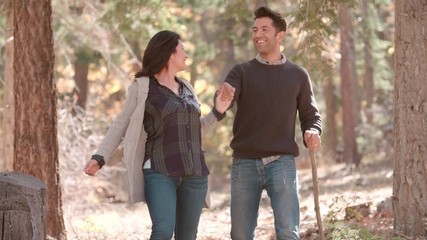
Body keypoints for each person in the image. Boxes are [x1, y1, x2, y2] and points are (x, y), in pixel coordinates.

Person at [83, 30, 235, 240]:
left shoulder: (187, 87)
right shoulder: (143, 87)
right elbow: (121, 123)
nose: (186, 55)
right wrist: (100, 157)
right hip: (160, 169)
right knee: (163, 230)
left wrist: (218, 111)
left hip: (194, 172)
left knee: (187, 236)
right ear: (169, 53)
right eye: (182, 50)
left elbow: (196, 130)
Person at [219, 6, 322, 240]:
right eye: (255, 29)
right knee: (240, 234)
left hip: (282, 163)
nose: (258, 34)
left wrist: (313, 131)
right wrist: (223, 98)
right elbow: (225, 100)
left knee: (288, 232)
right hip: (244, 163)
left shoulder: (298, 74)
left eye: (265, 29)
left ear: (280, 35)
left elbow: (310, 115)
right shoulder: (241, 71)